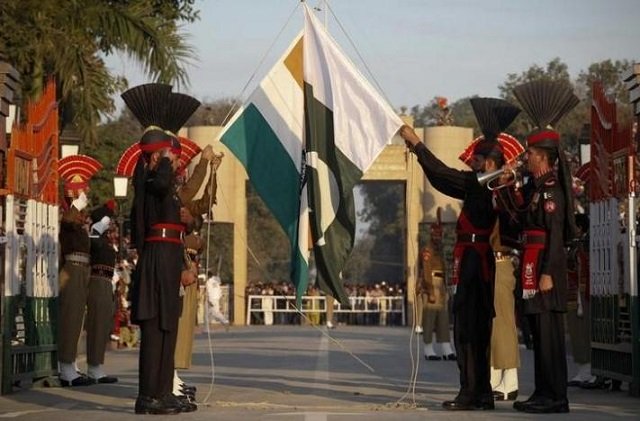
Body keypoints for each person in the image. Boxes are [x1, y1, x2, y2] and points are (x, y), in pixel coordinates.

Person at [400, 97, 520, 410]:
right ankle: (478, 391)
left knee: (468, 327)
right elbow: (444, 177)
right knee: (475, 328)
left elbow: (441, 175)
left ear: (490, 164)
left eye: (478, 161)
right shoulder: (486, 185)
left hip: (474, 262)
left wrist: (416, 144)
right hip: (474, 261)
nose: (472, 165)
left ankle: (471, 392)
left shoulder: (483, 186)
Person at [123, 83, 200, 415]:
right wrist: (164, 160)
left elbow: (179, 216)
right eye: (167, 155)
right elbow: (161, 182)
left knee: (169, 324)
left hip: (169, 258)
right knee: (155, 327)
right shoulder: (150, 179)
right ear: (154, 156)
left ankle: (164, 391)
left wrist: (187, 221)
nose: (172, 160)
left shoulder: (164, 186)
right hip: (155, 258)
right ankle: (147, 395)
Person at [510, 80, 579, 414]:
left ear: (544, 158)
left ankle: (556, 396)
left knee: (551, 338)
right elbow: (520, 219)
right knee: (537, 333)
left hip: (545, 269)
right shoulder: (536, 187)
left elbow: (554, 235)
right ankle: (542, 391)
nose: (527, 160)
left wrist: (550, 272)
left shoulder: (552, 191)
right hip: (532, 264)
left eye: (531, 155)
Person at [57, 154, 103, 387]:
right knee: (70, 317)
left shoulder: (77, 219)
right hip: (71, 269)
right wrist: (76, 205)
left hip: (81, 269)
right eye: (80, 191)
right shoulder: (67, 215)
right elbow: (67, 220)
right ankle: (65, 366)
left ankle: (71, 364)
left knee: (77, 319)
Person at [85, 203, 119, 384]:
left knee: (103, 325)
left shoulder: (105, 239)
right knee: (97, 323)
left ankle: (97, 364)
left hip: (106, 282)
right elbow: (92, 242)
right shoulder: (95, 234)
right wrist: (98, 227)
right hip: (97, 281)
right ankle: (93, 366)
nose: (112, 223)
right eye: (109, 219)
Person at [419, 214, 455, 361]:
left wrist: (445, 288)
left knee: (443, 319)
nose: (438, 237)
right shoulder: (428, 250)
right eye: (436, 234)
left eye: (440, 235)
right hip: (431, 284)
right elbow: (426, 271)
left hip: (440, 285)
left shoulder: (440, 250)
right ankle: (428, 349)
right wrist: (429, 290)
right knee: (429, 318)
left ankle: (446, 347)